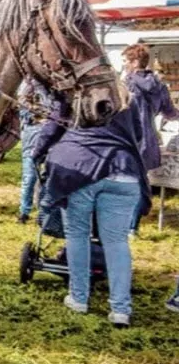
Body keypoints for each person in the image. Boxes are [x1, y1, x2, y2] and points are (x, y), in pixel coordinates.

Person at [34, 86, 146, 328]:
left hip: (80, 169)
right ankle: (120, 309)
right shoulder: (127, 97)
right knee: (116, 242)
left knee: (77, 235)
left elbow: (52, 128)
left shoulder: (73, 95)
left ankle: (79, 297)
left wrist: (38, 152)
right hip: (123, 170)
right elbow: (139, 134)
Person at [122, 44, 179, 233]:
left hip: (128, 139)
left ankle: (128, 226)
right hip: (149, 141)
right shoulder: (159, 85)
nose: (124, 65)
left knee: (127, 184)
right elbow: (170, 113)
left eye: (125, 61)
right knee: (139, 182)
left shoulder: (127, 84)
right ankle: (133, 225)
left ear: (135, 62)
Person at [17, 79, 53, 224]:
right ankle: (24, 212)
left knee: (49, 176)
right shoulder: (28, 85)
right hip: (33, 134)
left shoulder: (54, 87)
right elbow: (22, 108)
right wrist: (39, 116)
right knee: (30, 176)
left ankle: (43, 213)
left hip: (52, 134)